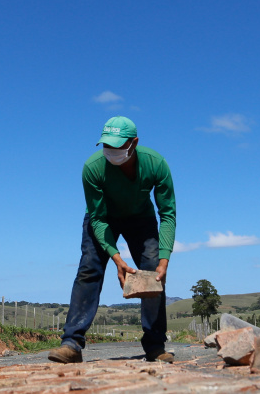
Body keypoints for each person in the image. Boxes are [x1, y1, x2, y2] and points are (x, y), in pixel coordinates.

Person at [48, 116, 177, 364]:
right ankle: (72, 343)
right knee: (89, 268)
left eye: (118, 146)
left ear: (134, 143)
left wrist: (164, 259)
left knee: (153, 270)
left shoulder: (156, 164)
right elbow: (97, 219)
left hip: (141, 218)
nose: (111, 151)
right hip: (103, 217)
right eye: (107, 145)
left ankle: (154, 345)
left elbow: (167, 214)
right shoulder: (92, 168)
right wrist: (117, 259)